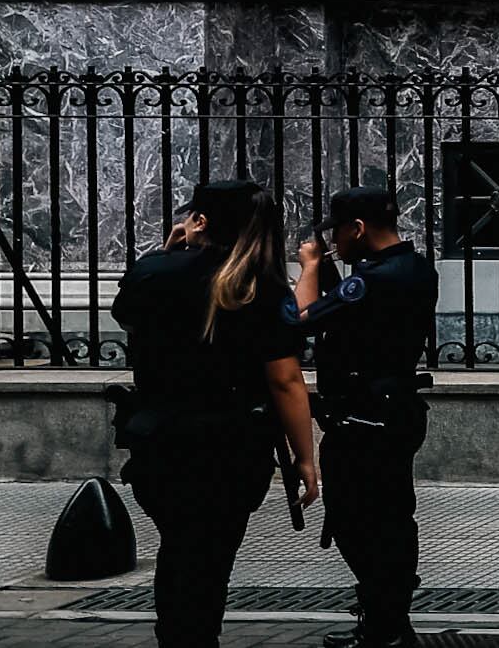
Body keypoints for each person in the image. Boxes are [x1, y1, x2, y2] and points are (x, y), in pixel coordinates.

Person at [114, 180, 319, 648]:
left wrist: (166, 254)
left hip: (160, 439)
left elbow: (127, 314)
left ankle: (179, 636)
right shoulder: (260, 286)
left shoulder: (153, 272)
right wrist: (305, 458)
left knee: (179, 547)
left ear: (200, 221)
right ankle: (196, 636)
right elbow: (285, 380)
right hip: (230, 445)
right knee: (208, 557)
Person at [299, 181, 440, 648]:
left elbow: (303, 319)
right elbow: (357, 319)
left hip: (364, 418)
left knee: (357, 519)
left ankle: (385, 622)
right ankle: (388, 621)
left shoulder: (373, 279)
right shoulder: (414, 269)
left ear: (358, 228)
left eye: (337, 233)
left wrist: (311, 268)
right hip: (394, 408)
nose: (333, 243)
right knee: (392, 517)